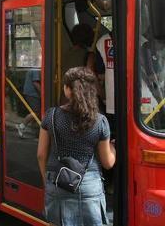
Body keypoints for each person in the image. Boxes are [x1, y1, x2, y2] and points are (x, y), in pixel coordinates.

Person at [37, 67, 116, 226]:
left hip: (58, 181)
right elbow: (108, 162)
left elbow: (41, 155)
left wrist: (47, 180)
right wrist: (113, 147)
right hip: (89, 185)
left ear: (67, 89)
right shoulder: (100, 121)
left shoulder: (51, 115)